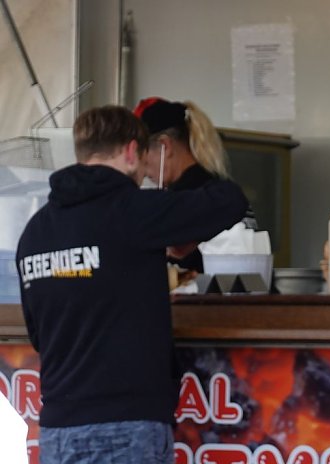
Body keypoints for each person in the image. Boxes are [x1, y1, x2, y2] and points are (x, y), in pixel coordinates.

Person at [16, 106, 248, 463]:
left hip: (55, 431)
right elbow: (230, 200)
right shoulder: (134, 212)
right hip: (126, 429)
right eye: (142, 161)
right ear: (129, 152)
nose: (143, 174)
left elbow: (37, 335)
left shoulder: (35, 232)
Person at [133, 97, 257, 272]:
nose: (144, 171)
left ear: (164, 146)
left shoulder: (201, 198)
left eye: (143, 158)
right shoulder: (217, 187)